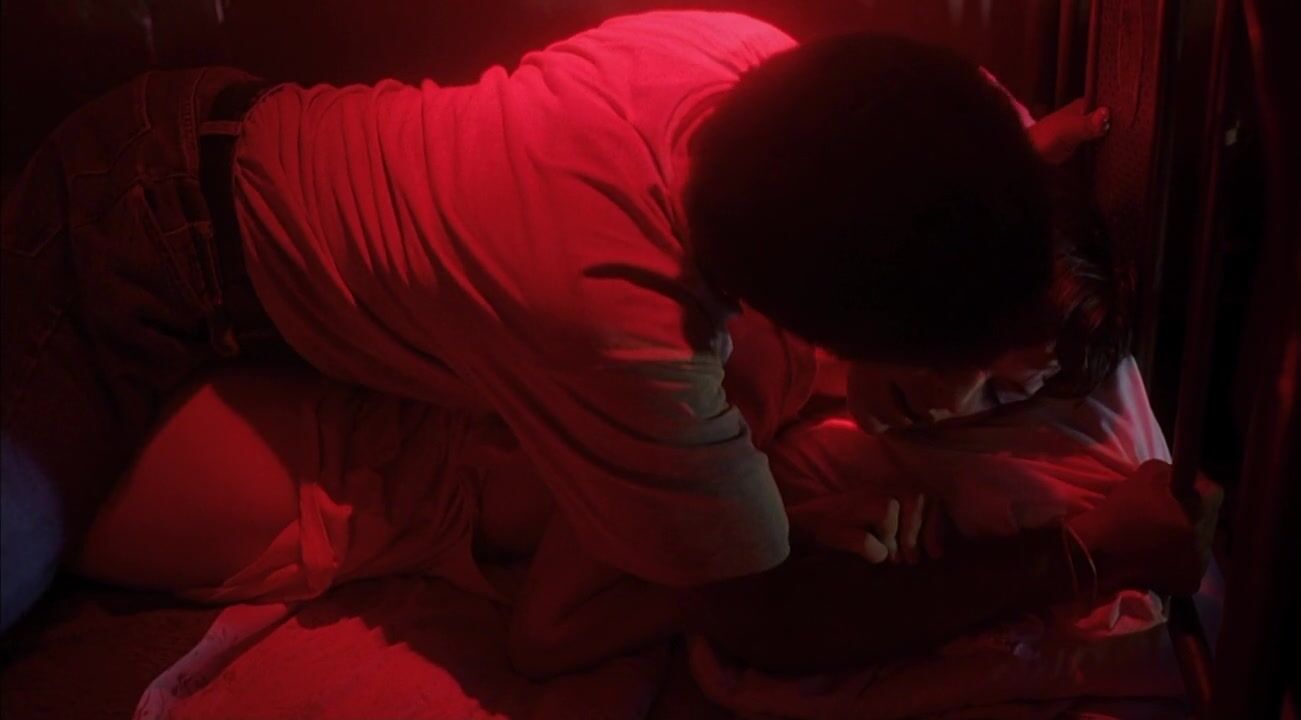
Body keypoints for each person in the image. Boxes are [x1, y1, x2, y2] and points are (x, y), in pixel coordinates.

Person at [2, 9, 1196, 644]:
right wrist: (1080, 554)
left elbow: (900, 141)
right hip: (134, 250)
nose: (974, 400)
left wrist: (1005, 175)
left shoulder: (739, 60)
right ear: (810, 325)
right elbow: (764, 618)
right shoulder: (628, 331)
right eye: (954, 368)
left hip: (216, 151)